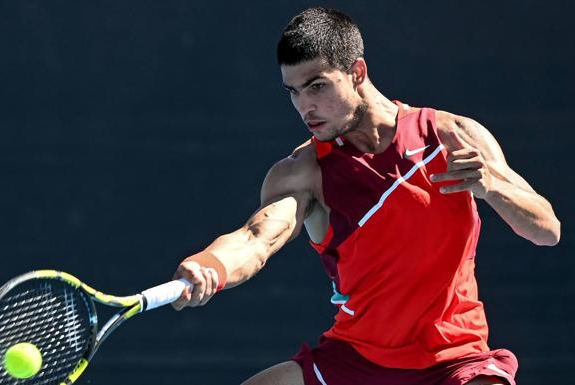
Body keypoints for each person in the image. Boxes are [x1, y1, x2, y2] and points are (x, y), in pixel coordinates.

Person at [170, 7, 561, 385]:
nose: (305, 106)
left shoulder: (449, 135)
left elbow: (547, 230)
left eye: (317, 86)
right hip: (357, 361)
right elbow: (256, 238)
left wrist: (490, 184)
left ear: (357, 72)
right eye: (293, 92)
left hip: (457, 361)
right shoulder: (305, 172)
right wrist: (211, 266)